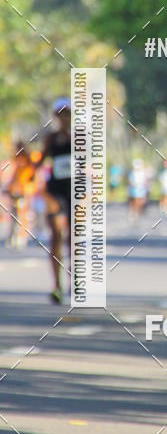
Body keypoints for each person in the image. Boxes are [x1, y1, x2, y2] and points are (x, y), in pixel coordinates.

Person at [37, 98, 72, 304]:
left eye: (67, 113)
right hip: (55, 191)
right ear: (55, 116)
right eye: (60, 114)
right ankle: (56, 285)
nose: (64, 117)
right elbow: (40, 162)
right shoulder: (50, 139)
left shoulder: (80, 137)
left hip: (75, 191)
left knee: (73, 239)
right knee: (56, 235)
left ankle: (73, 282)